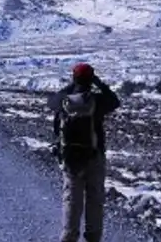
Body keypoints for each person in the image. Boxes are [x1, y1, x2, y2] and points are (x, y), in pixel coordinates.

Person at [47, 63, 120, 242]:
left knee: (71, 200)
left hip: (70, 159)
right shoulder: (96, 100)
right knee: (95, 200)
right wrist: (99, 83)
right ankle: (93, 237)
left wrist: (72, 86)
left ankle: (69, 236)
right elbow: (115, 101)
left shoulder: (64, 99)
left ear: (74, 77)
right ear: (91, 78)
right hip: (95, 156)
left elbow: (51, 102)